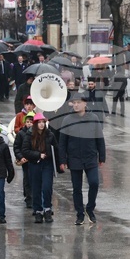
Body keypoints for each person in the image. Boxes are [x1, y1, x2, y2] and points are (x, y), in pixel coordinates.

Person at [59, 93, 106, 225]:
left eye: (78, 102)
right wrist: (62, 160)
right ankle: (79, 214)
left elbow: (100, 139)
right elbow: (62, 142)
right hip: (74, 158)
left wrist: (102, 156)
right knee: (77, 188)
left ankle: (90, 209)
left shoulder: (93, 118)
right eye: (74, 103)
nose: (76, 105)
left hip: (91, 157)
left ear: (85, 103)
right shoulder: (67, 120)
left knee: (94, 183)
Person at [20, 113, 59, 224]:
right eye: (39, 122)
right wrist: (38, 155)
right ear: (36, 124)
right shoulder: (29, 135)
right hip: (34, 164)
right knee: (36, 188)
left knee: (47, 187)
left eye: (43, 122)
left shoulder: (50, 134)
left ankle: (47, 209)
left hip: (47, 164)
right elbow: (25, 150)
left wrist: (60, 163)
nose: (41, 125)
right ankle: (38, 211)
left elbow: (56, 149)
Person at [13, 111, 35, 209]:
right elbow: (16, 147)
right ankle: (29, 198)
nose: (29, 123)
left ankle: (34, 197)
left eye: (31, 121)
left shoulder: (37, 133)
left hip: (35, 160)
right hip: (26, 161)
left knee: (35, 179)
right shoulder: (21, 133)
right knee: (27, 179)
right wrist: (20, 157)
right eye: (28, 122)